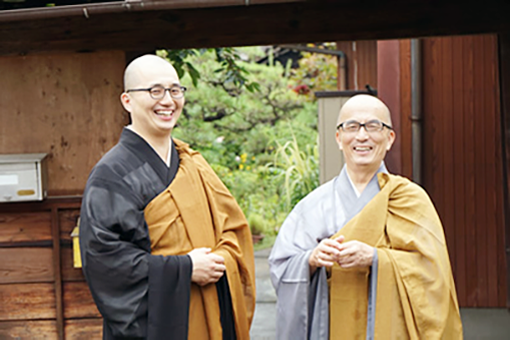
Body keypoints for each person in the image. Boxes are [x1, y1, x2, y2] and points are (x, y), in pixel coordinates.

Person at [79, 54, 255, 340]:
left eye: (175, 90)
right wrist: (184, 269)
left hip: (211, 314)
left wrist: (221, 258)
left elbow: (233, 229)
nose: (168, 101)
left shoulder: (192, 163)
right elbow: (105, 263)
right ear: (127, 101)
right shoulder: (110, 175)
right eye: (154, 91)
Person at [268, 94, 462, 339]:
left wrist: (375, 257)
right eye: (351, 127)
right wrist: (311, 260)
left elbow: (434, 274)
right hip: (330, 328)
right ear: (339, 138)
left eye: (373, 126)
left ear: (389, 138)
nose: (362, 136)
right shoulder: (313, 206)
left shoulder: (411, 200)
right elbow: (281, 268)